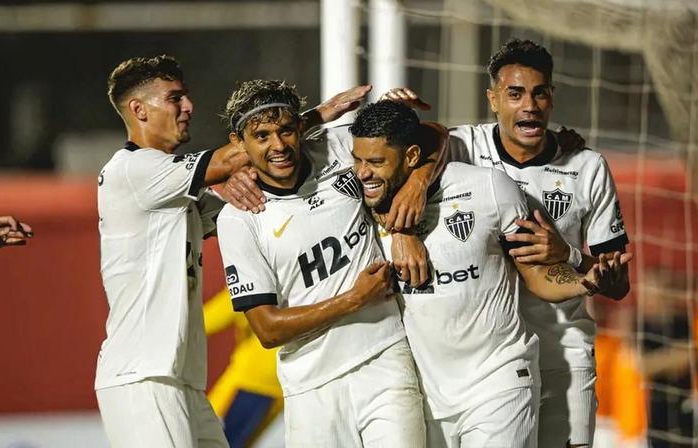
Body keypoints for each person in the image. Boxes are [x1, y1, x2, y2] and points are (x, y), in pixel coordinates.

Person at [95, 55, 366, 447]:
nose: (188, 107)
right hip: (143, 378)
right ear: (139, 109)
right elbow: (231, 158)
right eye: (175, 98)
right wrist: (310, 118)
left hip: (182, 381)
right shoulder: (132, 171)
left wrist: (238, 185)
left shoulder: (173, 190)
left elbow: (247, 190)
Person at [382, 38, 631, 448]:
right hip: (484, 365)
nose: (529, 105)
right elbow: (397, 154)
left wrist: (568, 255)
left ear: (551, 98)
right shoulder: (462, 148)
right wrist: (396, 116)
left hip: (561, 358)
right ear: (493, 99)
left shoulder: (587, 168)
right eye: (515, 94)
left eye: (539, 93)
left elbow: (618, 284)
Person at [216, 80, 447, 447]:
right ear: (238, 144)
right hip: (310, 387)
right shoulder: (238, 219)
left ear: (301, 128)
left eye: (286, 130)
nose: (278, 146)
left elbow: (433, 135)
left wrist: (414, 188)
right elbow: (267, 329)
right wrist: (354, 300)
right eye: (261, 136)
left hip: (384, 358)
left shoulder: (338, 146)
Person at [203, 289, 283, 448]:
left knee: (208, 439)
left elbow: (203, 322)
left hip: (250, 383)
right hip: (283, 387)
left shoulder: (254, 280)